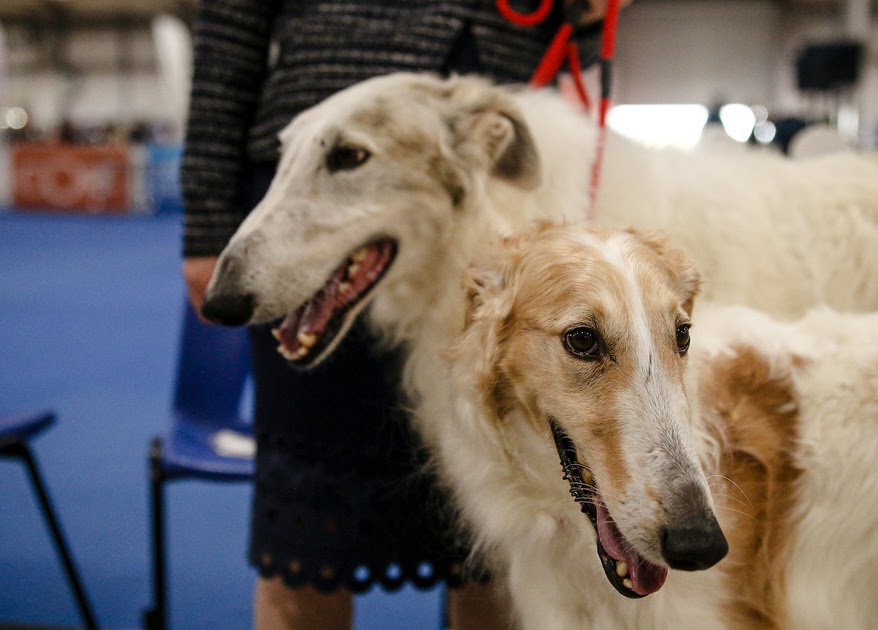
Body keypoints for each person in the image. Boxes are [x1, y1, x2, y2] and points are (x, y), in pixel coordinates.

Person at [180, 2, 625, 628]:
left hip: (491, 176)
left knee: (504, 545)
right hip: (321, 167)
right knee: (305, 544)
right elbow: (230, 30)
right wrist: (205, 218)